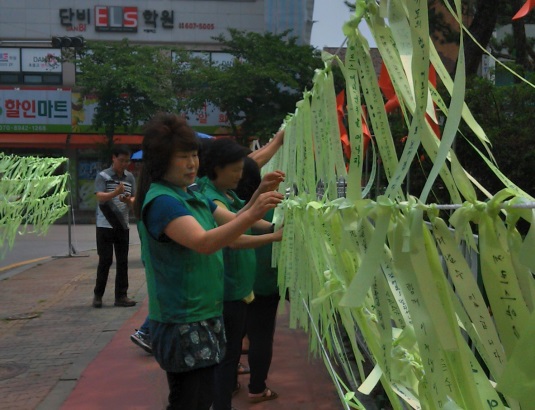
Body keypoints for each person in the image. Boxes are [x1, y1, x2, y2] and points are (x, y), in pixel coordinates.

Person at [133, 112, 284, 410]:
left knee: (204, 396)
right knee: (190, 399)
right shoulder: (163, 202)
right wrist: (255, 213)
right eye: (182, 157)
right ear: (161, 160)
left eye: (193, 155)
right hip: (182, 319)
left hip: (203, 313)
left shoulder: (188, 195)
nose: (191, 164)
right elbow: (204, 242)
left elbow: (232, 226)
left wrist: (258, 197)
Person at [198, 138, 283, 410]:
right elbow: (234, 235)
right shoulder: (209, 197)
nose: (239, 175)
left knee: (230, 354)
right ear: (216, 168)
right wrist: (275, 235)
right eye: (234, 169)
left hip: (237, 288)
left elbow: (242, 216)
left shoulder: (226, 194)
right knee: (226, 358)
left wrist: (260, 192)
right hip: (226, 289)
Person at [235, 157, 281, 403]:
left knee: (234, 333)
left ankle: (230, 380)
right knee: (261, 335)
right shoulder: (274, 204)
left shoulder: (227, 207)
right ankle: (257, 386)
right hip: (265, 282)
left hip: (236, 285)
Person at [93, 145, 136, 308]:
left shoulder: (130, 177)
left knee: (123, 261)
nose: (124, 164)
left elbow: (134, 199)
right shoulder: (103, 176)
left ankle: (121, 296)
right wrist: (115, 193)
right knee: (105, 260)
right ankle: (98, 295)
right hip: (105, 224)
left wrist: (128, 200)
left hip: (122, 225)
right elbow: (100, 197)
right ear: (113, 158)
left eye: (127, 161)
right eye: (121, 160)